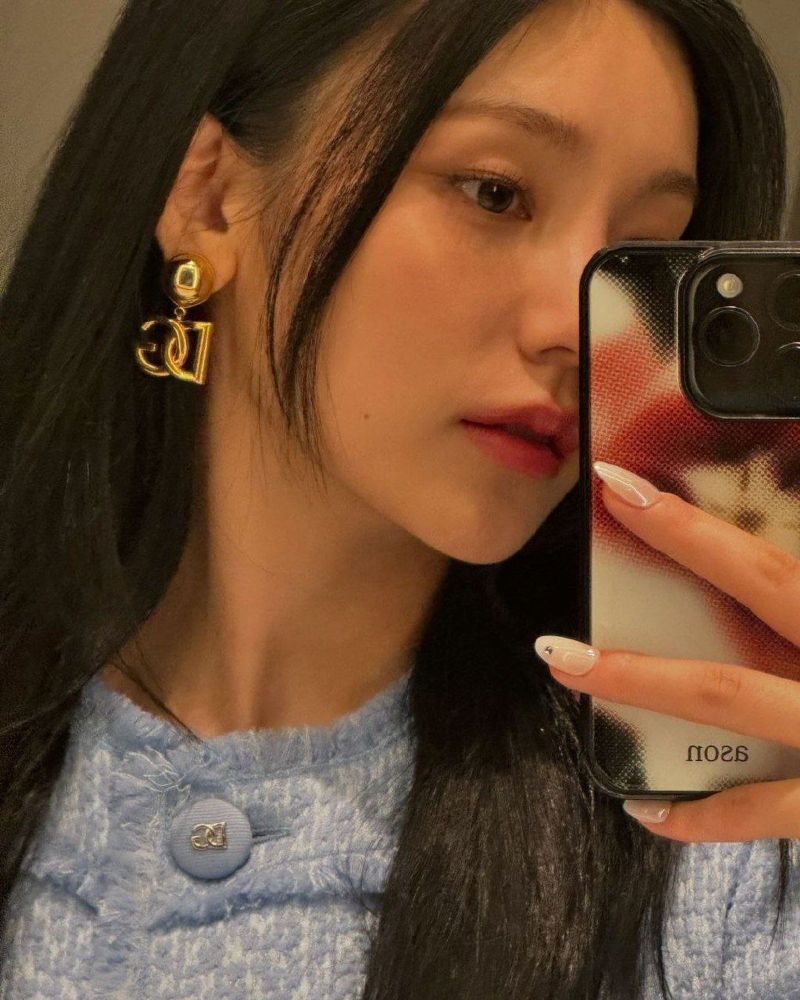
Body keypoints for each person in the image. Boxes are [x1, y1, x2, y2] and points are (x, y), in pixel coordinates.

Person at [1, 0, 798, 996]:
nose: (580, 328)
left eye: (639, 252)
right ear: (207, 194)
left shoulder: (719, 853)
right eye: (495, 192)